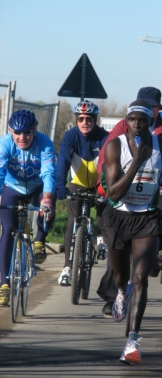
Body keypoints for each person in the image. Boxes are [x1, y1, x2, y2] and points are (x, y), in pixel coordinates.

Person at [100, 99, 162, 364]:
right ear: (126, 121)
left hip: (146, 218)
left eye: (143, 121)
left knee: (140, 278)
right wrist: (137, 162)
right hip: (118, 216)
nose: (137, 125)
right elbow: (113, 192)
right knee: (121, 276)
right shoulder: (116, 146)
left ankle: (131, 341)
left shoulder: (161, 144)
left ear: (151, 123)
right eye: (132, 120)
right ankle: (120, 294)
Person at [0, 110, 57, 305]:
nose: (22, 137)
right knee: (7, 230)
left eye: (27, 133)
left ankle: (40, 239)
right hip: (12, 187)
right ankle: (3, 283)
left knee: (48, 204)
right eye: (17, 133)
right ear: (10, 131)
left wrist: (47, 198)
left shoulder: (45, 143)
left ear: (34, 131)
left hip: (36, 187)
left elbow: (49, 172)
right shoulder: (5, 143)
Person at [56, 100, 109, 286]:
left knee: (104, 211)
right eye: (81, 119)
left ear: (95, 120)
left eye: (89, 119)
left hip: (99, 184)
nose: (85, 122)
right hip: (77, 183)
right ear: (76, 120)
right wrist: (60, 184)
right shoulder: (71, 136)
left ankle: (101, 238)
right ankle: (67, 268)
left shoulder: (104, 137)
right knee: (72, 221)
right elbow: (62, 160)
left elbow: (109, 163)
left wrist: (107, 188)